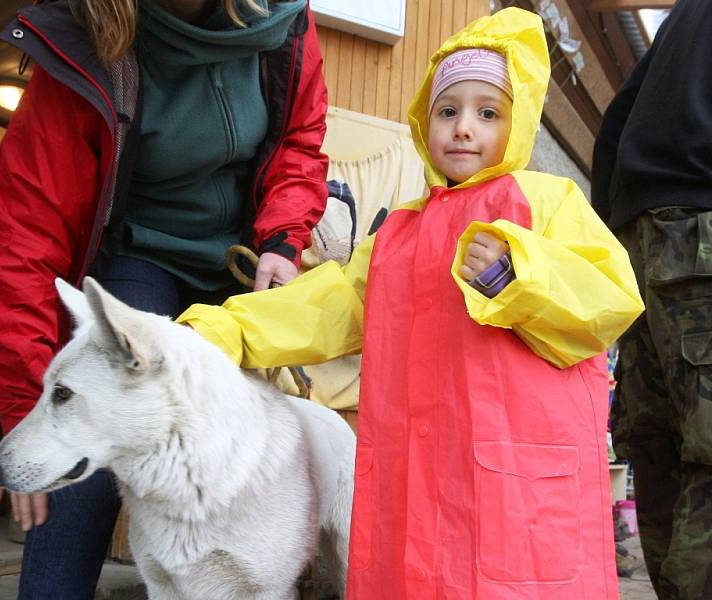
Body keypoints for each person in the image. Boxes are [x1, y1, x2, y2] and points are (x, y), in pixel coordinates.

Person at [178, 7, 644, 599]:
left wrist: (519, 276)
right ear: (426, 123)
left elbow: (611, 298)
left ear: (519, 120)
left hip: (515, 494)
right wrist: (225, 332)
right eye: (447, 111)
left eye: (488, 112)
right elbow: (330, 304)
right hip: (418, 486)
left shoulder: (546, 201)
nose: (463, 128)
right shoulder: (398, 233)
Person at [0, 0, 328, 597]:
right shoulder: (80, 40)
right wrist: (28, 412)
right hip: (140, 260)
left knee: (247, 447)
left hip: (242, 263)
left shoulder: (286, 18)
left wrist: (283, 239)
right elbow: (20, 238)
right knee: (95, 418)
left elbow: (300, 136)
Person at [592, 2, 712, 597]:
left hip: (639, 236)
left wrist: (614, 234)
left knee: (657, 447)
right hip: (702, 232)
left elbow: (615, 121)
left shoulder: (685, 19)